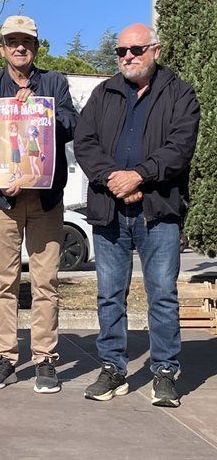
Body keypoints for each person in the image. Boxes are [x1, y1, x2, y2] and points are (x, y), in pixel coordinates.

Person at [75, 24, 200, 407]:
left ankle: (164, 372)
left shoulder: (179, 94)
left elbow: (180, 147)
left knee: (162, 295)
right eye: (121, 51)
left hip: (157, 212)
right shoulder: (104, 92)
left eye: (136, 49)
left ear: (155, 51)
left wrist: (139, 175)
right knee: (109, 295)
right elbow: (85, 142)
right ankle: (113, 368)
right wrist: (112, 179)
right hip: (109, 210)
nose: (128, 56)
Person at [0, 15, 79, 394]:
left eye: (27, 42)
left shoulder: (54, 83)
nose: (20, 47)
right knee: (4, 281)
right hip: (5, 199)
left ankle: (46, 359)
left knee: (45, 280)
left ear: (36, 47)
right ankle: (4, 357)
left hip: (46, 198)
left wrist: (43, 110)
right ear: (2, 47)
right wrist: (5, 179)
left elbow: (72, 124)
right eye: (13, 41)